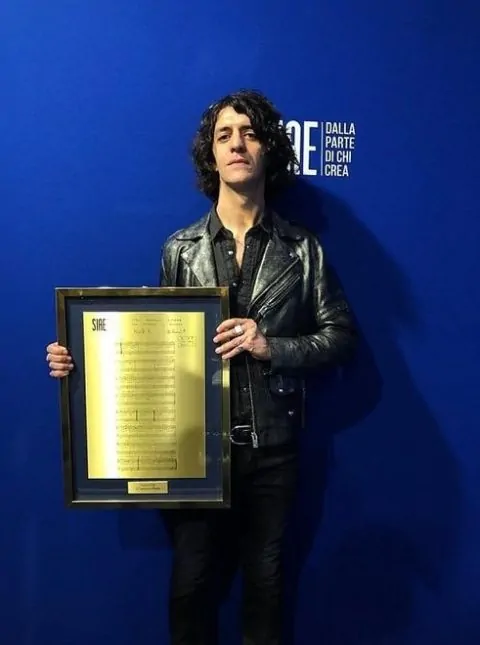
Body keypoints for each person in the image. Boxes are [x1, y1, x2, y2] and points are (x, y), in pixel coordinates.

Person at [46, 89, 356, 645]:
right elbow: (153, 351)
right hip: (194, 452)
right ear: (210, 154)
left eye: (250, 133)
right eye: (224, 135)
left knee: (266, 585)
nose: (237, 144)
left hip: (273, 451)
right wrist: (82, 362)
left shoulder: (302, 248)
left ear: (268, 149)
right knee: (190, 588)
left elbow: (339, 337)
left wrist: (271, 346)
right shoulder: (180, 249)